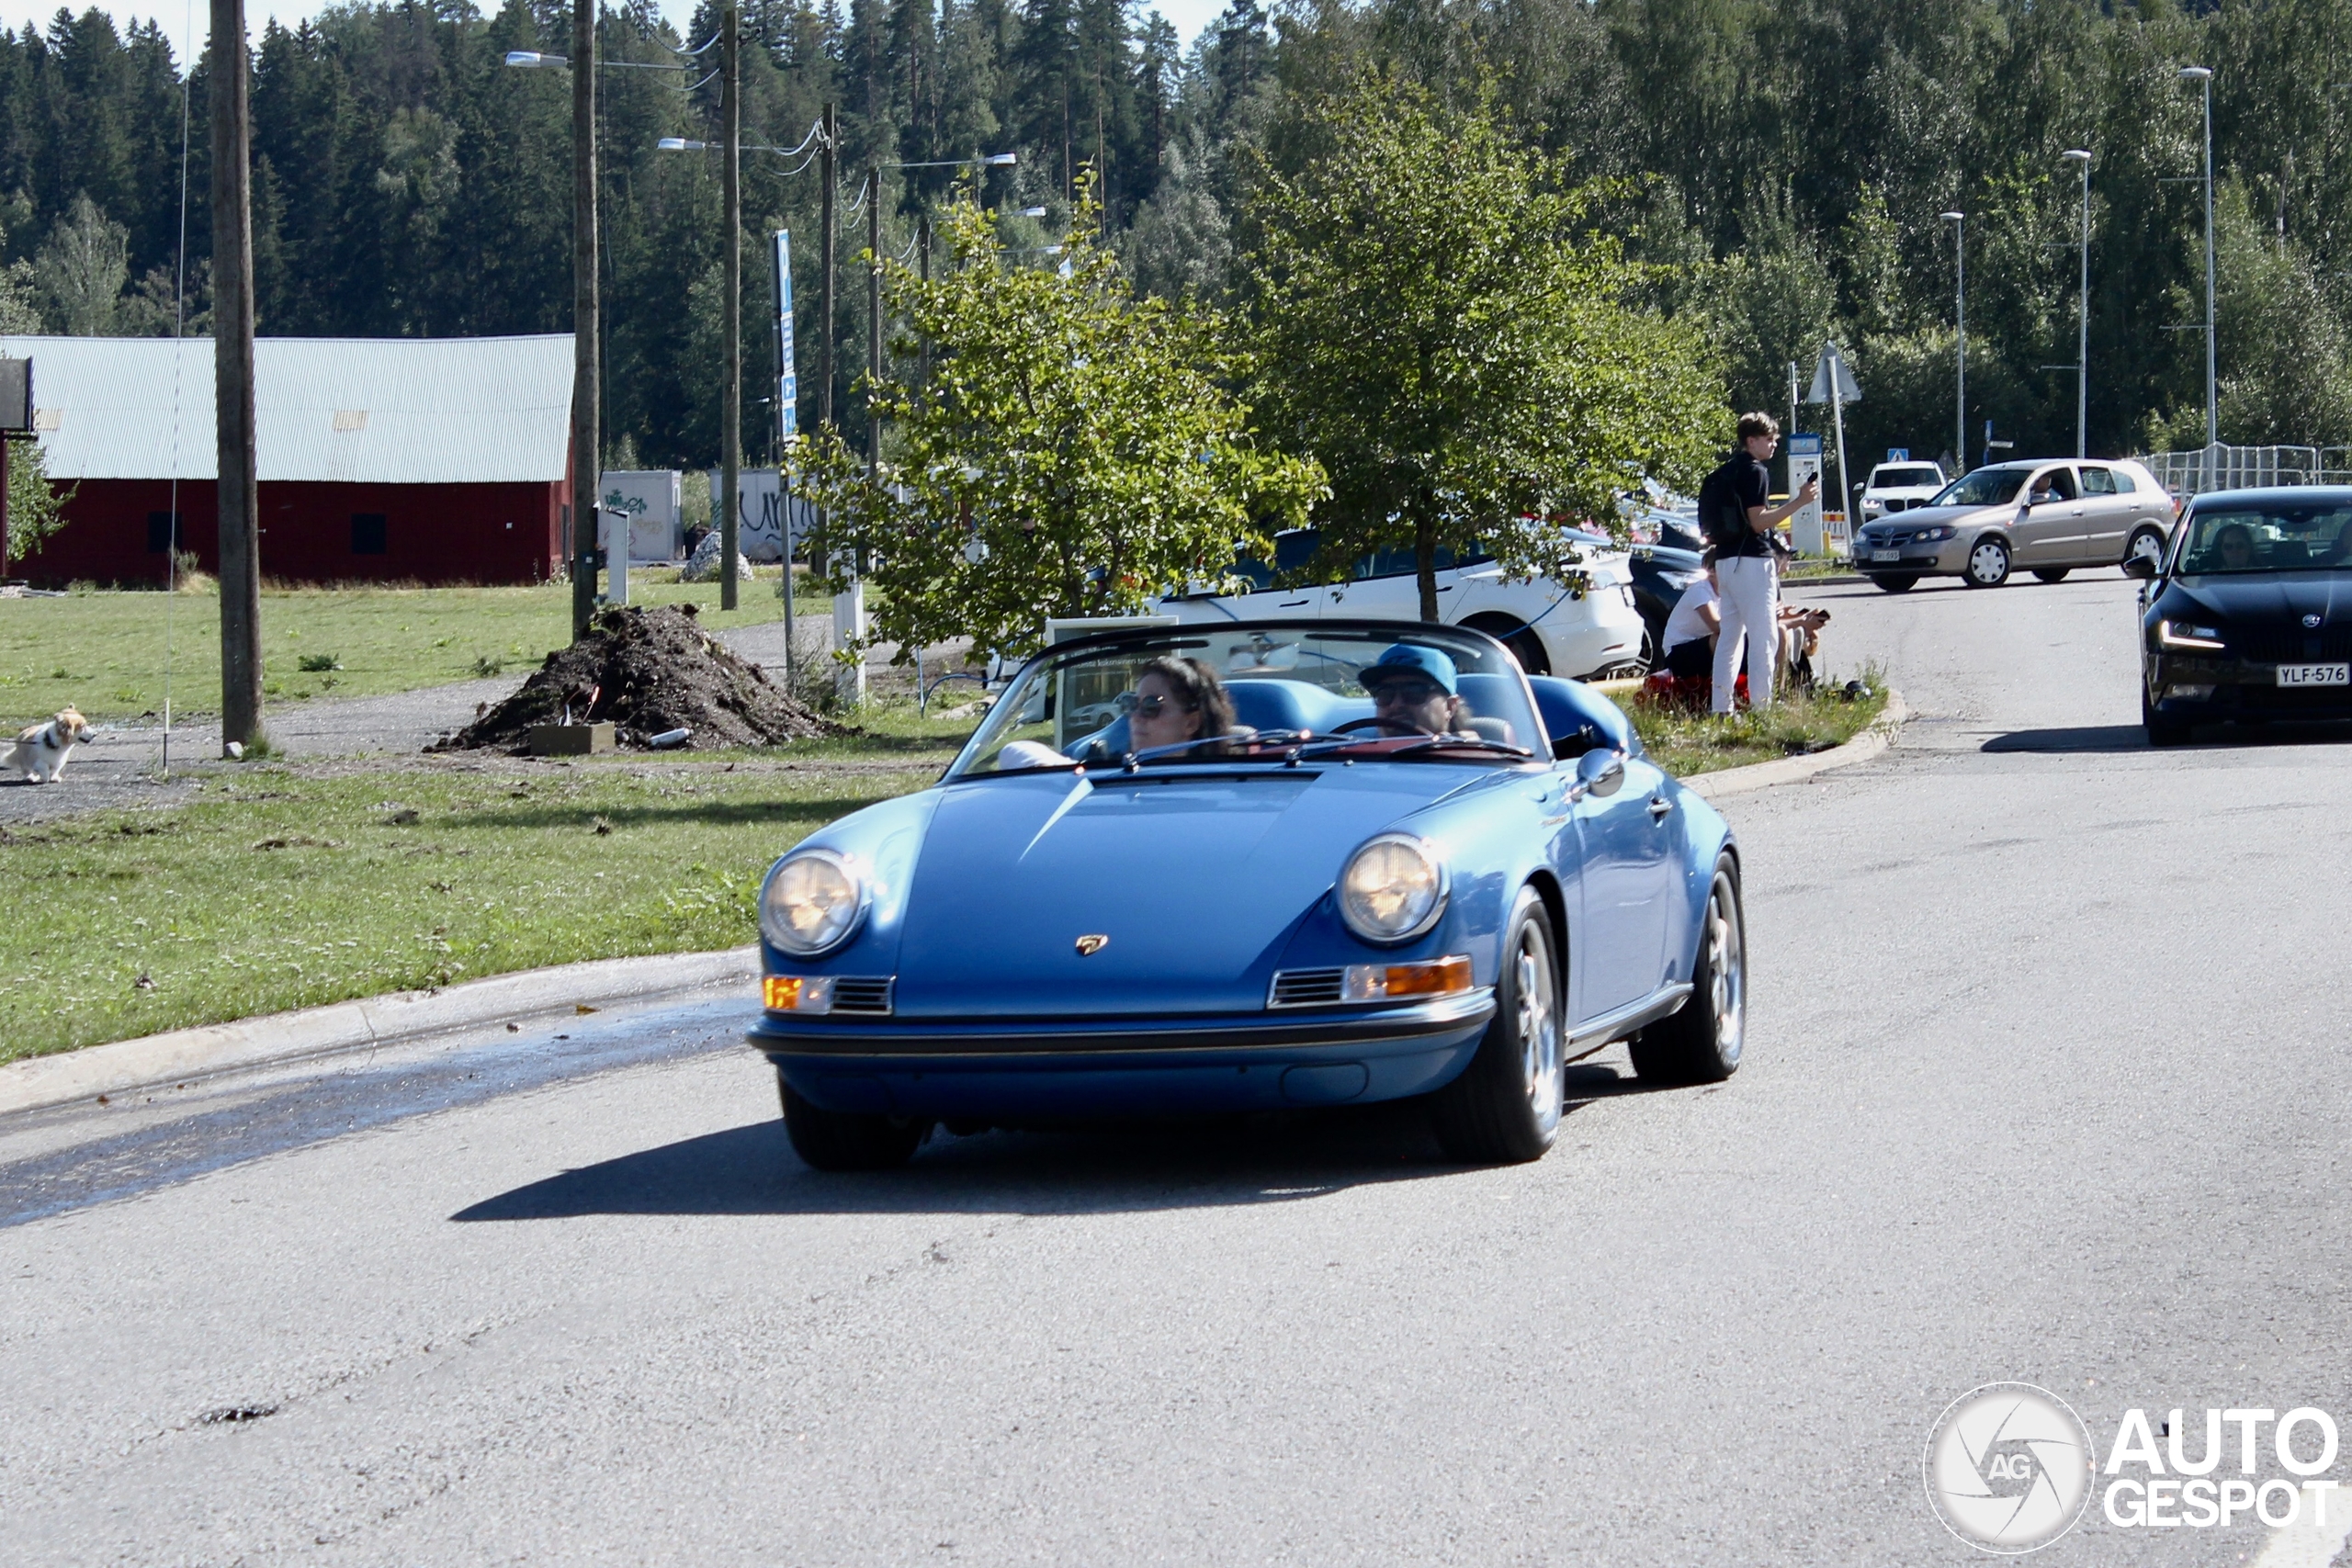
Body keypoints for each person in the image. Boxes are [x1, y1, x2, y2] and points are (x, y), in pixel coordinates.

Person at [1701, 412, 1817, 716]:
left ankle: (1721, 708)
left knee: (1729, 637)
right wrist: (1800, 501)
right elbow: (1757, 522)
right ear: (1751, 441)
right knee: (1764, 637)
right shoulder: (1755, 472)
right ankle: (1762, 709)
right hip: (1751, 562)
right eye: (1769, 439)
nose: (1774, 444)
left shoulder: (1726, 472)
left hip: (1725, 561)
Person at [1123, 655, 1238, 757]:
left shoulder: (1222, 779)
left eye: (1151, 706)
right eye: (1132, 704)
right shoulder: (1118, 776)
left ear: (1191, 723)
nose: (1135, 717)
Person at [1359, 644, 1469, 736]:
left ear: (1450, 707)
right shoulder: (1356, 757)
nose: (1396, 704)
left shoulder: (1471, 758)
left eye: (1414, 692)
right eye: (1385, 695)